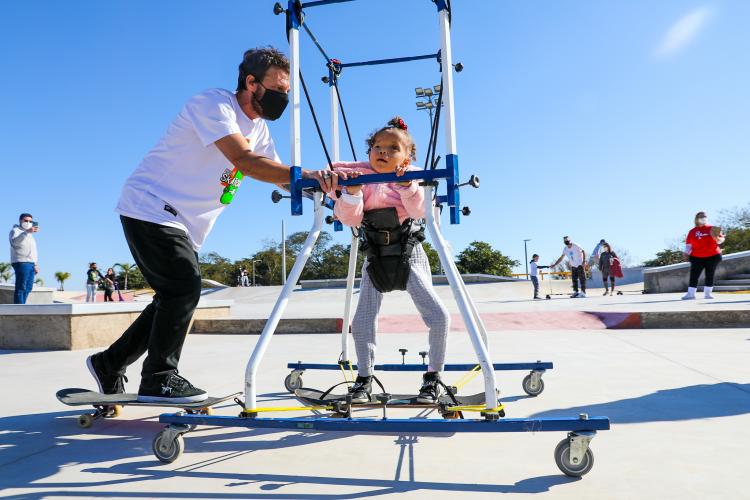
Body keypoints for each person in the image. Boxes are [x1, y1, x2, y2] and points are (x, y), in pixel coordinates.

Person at [85, 47, 339, 403]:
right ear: (251, 83)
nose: (283, 97)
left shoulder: (260, 130)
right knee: (184, 289)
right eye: (278, 89)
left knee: (172, 297)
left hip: (184, 224)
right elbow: (244, 161)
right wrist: (304, 175)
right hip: (151, 205)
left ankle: (109, 364)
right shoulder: (214, 105)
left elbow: (281, 176)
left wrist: (327, 187)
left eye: (287, 92)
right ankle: (159, 377)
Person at [330, 117, 451, 404]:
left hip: (409, 254)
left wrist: (407, 184)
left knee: (439, 316)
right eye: (377, 146)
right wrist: (353, 191)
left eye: (392, 148)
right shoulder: (357, 176)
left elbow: (420, 211)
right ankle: (364, 378)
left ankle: (433, 377)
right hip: (375, 256)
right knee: (361, 321)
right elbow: (349, 218)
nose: (382, 152)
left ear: (407, 156)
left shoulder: (413, 175)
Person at [682, 211, 724, 300]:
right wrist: (686, 253)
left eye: (704, 216)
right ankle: (690, 294)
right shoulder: (692, 231)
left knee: (710, 274)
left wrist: (716, 238)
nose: (703, 218)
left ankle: (708, 294)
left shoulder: (712, 228)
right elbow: (688, 244)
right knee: (694, 275)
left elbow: (720, 240)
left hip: (713, 255)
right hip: (696, 256)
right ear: (697, 219)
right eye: (701, 216)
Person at [8, 213, 39, 304]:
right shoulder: (15, 231)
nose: (28, 222)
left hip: (31, 264)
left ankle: (22, 307)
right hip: (21, 262)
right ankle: (18, 310)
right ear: (20, 221)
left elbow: (33, 251)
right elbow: (14, 243)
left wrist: (36, 264)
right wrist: (26, 232)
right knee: (21, 287)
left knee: (29, 288)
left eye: (30, 221)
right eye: (26, 220)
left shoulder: (30, 235)